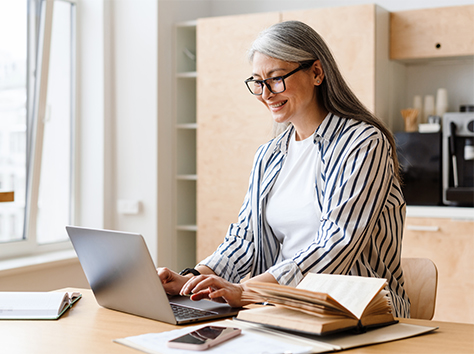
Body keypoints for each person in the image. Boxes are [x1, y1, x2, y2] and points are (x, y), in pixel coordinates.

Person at [158, 20, 410, 317]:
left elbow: (337, 244)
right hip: (284, 306)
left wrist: (248, 290)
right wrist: (192, 279)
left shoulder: (362, 143)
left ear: (316, 72)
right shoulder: (269, 155)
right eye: (257, 82)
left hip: (356, 307)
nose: (266, 93)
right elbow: (245, 239)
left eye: (276, 79)